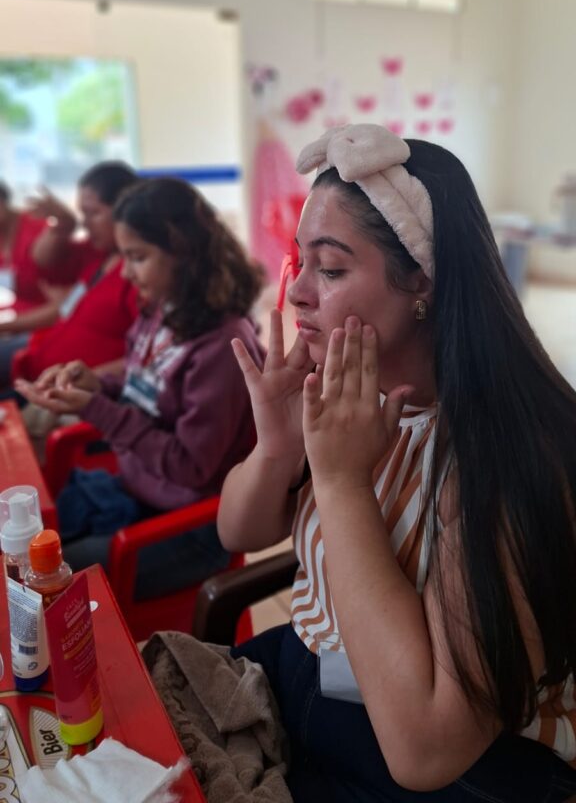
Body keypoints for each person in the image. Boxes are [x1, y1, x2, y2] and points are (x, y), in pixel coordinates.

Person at [213, 123, 576, 802]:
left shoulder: (509, 460)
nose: (295, 294)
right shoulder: (360, 400)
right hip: (325, 683)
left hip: (469, 766)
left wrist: (344, 482)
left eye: (331, 267)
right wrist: (278, 446)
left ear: (422, 284)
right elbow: (236, 534)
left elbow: (425, 749)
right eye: (301, 261)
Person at [17, 176, 266, 597]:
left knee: (43, 583)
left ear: (183, 252)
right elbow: (147, 388)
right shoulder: (164, 310)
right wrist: (99, 383)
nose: (127, 274)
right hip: (138, 491)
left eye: (137, 257)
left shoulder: (223, 345)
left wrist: (97, 409)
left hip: (191, 527)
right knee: (26, 556)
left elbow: (190, 467)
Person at [2, 161, 140, 387]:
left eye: (93, 213)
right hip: (39, 362)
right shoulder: (98, 256)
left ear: (124, 211)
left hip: (65, 391)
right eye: (82, 215)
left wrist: (77, 384)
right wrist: (63, 225)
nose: (85, 225)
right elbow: (42, 262)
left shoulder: (138, 274)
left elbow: (146, 360)